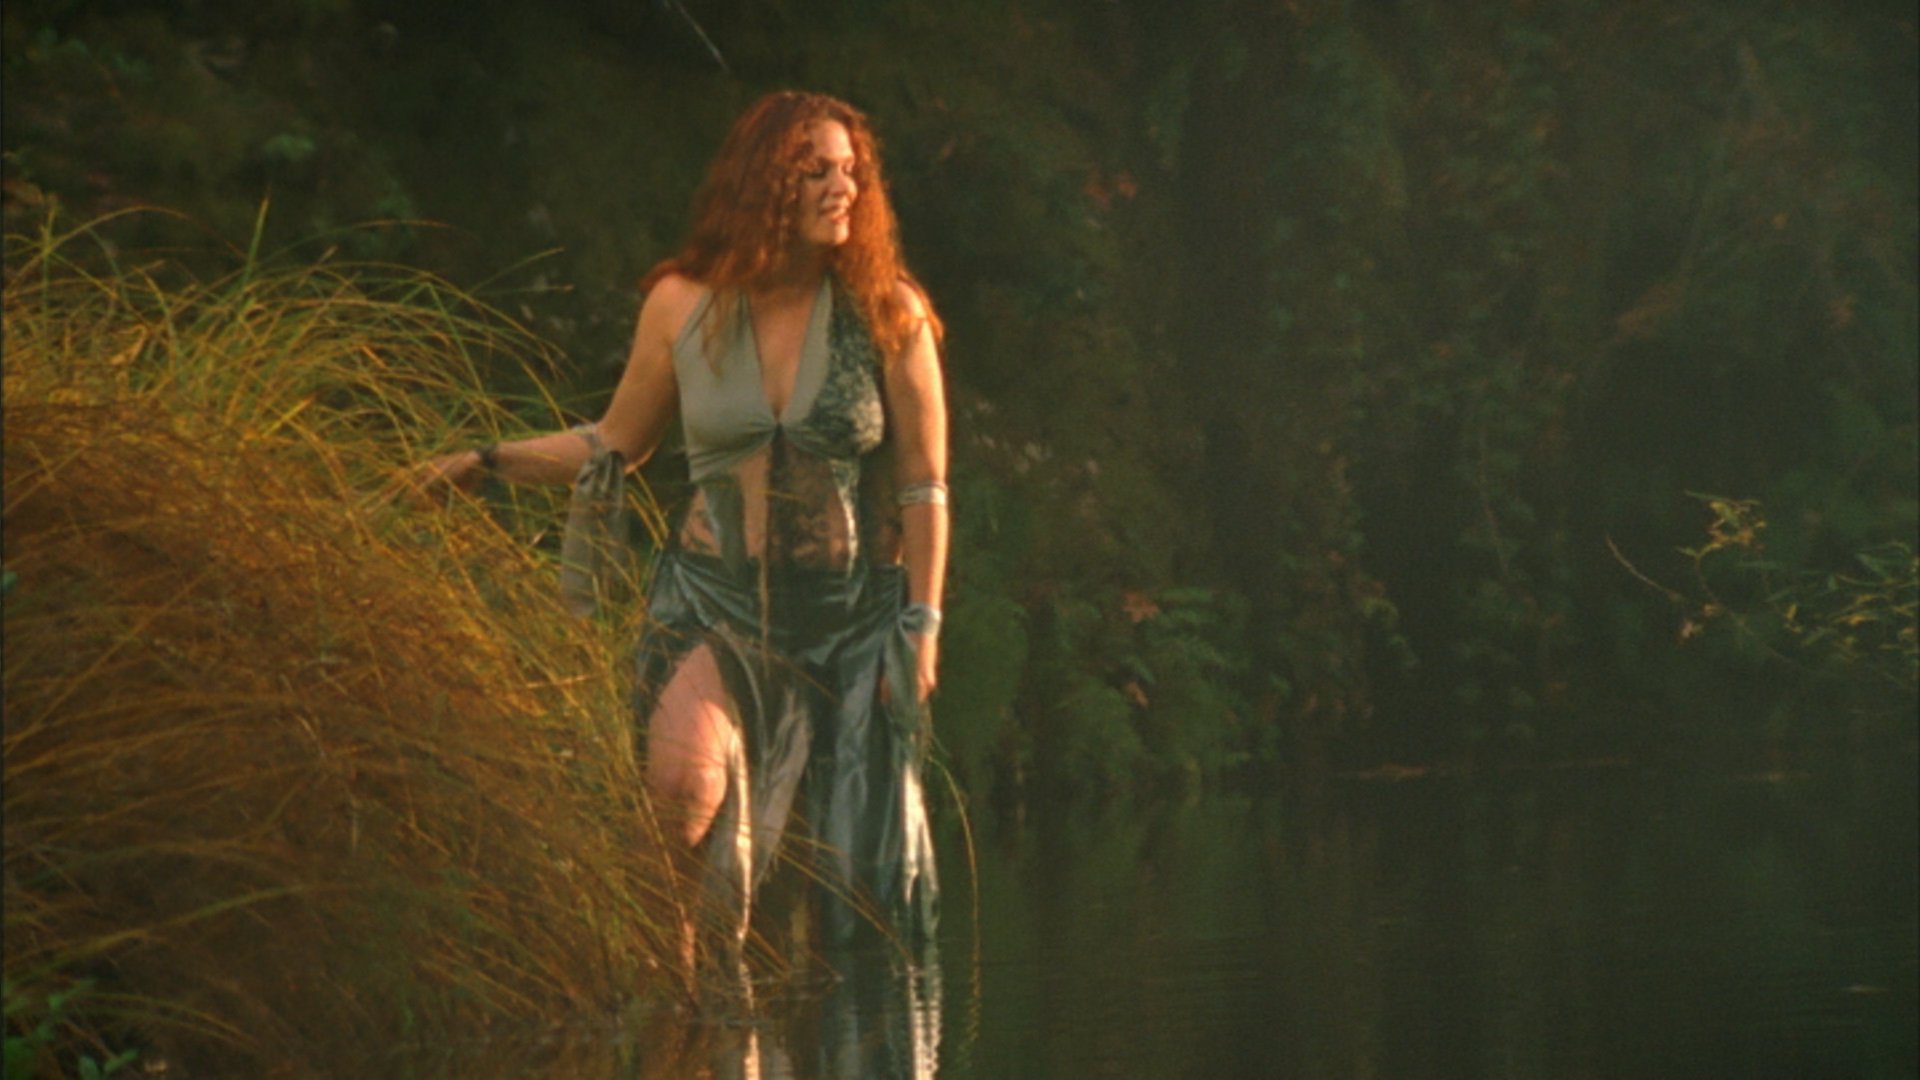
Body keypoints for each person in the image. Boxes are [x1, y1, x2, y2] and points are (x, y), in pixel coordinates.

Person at [418, 90, 947, 962]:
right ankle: (677, 1005)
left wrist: (921, 626)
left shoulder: (891, 312)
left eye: (851, 170)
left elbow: (925, 487)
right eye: (816, 171)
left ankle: (782, 1014)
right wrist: (483, 461)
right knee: (680, 795)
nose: (842, 188)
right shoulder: (681, 304)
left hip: (849, 626)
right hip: (713, 605)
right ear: (765, 183)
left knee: (849, 889)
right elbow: (616, 444)